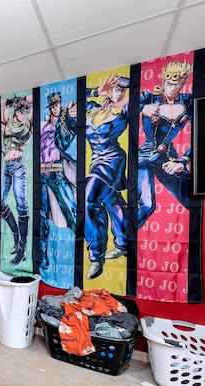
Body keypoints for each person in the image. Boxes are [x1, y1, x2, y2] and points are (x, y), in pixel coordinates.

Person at [138, 60, 194, 228]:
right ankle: (123, 241)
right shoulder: (148, 97)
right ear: (163, 82)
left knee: (193, 200)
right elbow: (119, 106)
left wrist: (183, 160)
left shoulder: (188, 102)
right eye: (169, 83)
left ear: (183, 84)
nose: (172, 88)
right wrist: (141, 108)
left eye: (176, 84)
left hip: (169, 158)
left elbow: (200, 136)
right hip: (144, 158)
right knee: (146, 206)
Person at [84, 75, 130, 279]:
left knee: (89, 200)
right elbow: (74, 103)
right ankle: (123, 243)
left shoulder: (124, 110)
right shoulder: (93, 107)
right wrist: (97, 91)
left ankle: (96, 257)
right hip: (95, 161)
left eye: (123, 90)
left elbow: (144, 96)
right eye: (116, 88)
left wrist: (124, 100)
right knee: (112, 201)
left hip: (112, 161)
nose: (119, 92)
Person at [40, 92, 77, 269]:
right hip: (42, 173)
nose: (55, 108)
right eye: (53, 106)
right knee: (41, 216)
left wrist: (67, 115)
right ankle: (43, 257)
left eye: (57, 105)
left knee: (70, 210)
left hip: (58, 172)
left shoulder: (65, 123)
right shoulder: (45, 125)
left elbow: (66, 138)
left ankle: (80, 254)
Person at [0, 95, 33, 265]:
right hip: (7, 167)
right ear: (17, 111)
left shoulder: (28, 124)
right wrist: (12, 101)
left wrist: (23, 99)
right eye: (22, 112)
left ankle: (22, 249)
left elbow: (34, 99)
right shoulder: (7, 120)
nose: (25, 115)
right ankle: (16, 238)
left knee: (22, 206)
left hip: (19, 166)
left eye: (27, 112)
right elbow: (1, 105)